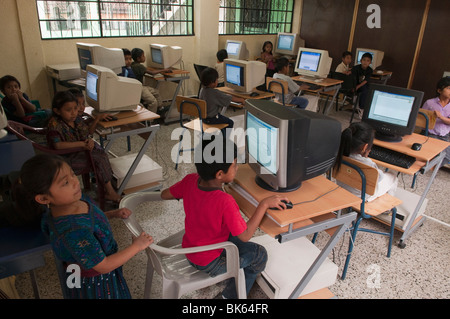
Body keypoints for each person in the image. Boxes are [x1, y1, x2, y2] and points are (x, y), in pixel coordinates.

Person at [161, 137, 289, 299]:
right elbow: (245, 235)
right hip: (209, 262)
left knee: (231, 230)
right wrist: (263, 205)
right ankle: (230, 297)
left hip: (190, 249)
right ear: (220, 174)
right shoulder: (224, 201)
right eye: (234, 166)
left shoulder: (190, 180)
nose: (237, 168)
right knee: (259, 254)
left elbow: (165, 195)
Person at [16, 153, 153, 299]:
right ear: (44, 198)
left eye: (73, 174)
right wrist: (136, 247)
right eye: (65, 183)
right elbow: (104, 265)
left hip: (100, 271)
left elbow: (91, 220)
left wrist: (113, 214)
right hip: (96, 284)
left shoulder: (74, 199)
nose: (75, 182)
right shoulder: (73, 231)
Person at [46, 90, 121, 203]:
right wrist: (82, 144)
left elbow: (86, 134)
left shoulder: (76, 119)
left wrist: (89, 139)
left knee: (101, 155)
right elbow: (58, 145)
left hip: (79, 151)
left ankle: (106, 186)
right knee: (100, 159)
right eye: (68, 110)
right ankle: (109, 191)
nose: (74, 113)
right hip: (65, 159)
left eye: (75, 108)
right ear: (57, 111)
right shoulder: (54, 124)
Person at [335, 122, 398, 202]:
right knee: (393, 176)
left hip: (341, 189)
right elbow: (379, 178)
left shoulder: (338, 155)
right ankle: (388, 209)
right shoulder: (368, 164)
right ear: (365, 147)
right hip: (362, 197)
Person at [199, 67, 244, 135]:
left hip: (203, 118)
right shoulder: (215, 93)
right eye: (217, 79)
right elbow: (230, 98)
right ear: (212, 82)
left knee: (221, 118)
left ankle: (219, 138)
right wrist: (242, 100)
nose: (218, 81)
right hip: (212, 119)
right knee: (230, 122)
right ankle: (224, 141)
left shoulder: (202, 90)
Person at [130, 47, 170, 113]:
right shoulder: (139, 66)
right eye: (143, 56)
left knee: (156, 92)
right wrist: (164, 70)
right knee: (153, 101)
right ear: (138, 58)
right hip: (139, 87)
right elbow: (152, 73)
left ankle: (160, 108)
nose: (144, 57)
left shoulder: (134, 64)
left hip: (140, 86)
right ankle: (150, 121)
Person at [421, 77, 450, 167]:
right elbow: (421, 119)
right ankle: (426, 165)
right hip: (430, 134)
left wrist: (441, 117)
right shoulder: (430, 103)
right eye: (449, 88)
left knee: (447, 156)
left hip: (445, 136)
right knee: (428, 152)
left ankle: (432, 166)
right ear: (439, 90)